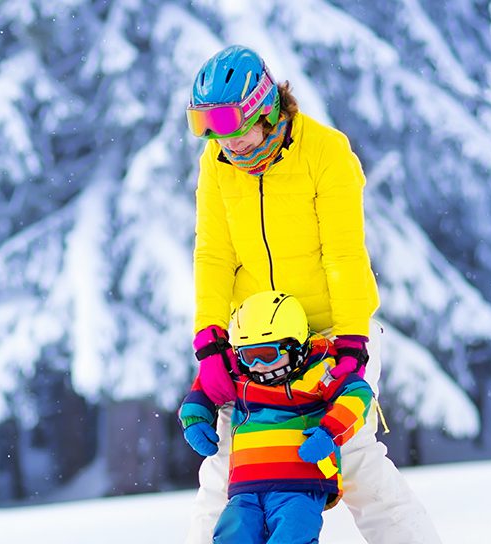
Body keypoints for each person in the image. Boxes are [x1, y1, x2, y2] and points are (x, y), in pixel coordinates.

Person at [184, 44, 442, 543]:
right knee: (226, 468)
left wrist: (350, 343)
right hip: (256, 342)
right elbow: (213, 257)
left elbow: (343, 256)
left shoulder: (325, 152)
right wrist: (210, 344)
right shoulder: (217, 163)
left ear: (264, 107)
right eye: (207, 128)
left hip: (330, 333)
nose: (225, 145)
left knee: (355, 457)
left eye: (233, 128)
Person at [180, 291, 374, 543]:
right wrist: (194, 419)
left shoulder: (319, 371)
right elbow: (206, 386)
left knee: (292, 536)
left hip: (300, 484)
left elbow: (357, 394)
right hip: (246, 489)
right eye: (250, 356)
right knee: (231, 535)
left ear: (294, 347)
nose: (258, 365)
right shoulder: (240, 373)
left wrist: (330, 432)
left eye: (268, 354)